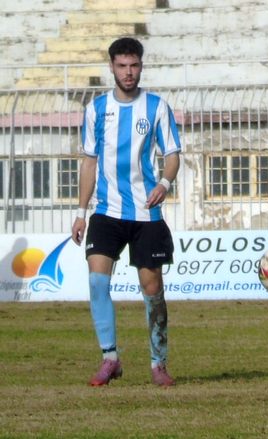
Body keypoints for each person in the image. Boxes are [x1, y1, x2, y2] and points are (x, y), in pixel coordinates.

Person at [71, 37, 181, 387]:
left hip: (145, 213)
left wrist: (164, 182)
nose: (128, 72)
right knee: (97, 280)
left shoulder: (157, 107)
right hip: (106, 212)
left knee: (152, 288)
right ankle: (110, 358)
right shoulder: (96, 109)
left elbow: (173, 154)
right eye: (122, 66)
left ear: (141, 66)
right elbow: (89, 163)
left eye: (133, 65)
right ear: (112, 68)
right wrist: (80, 212)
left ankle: (158, 362)